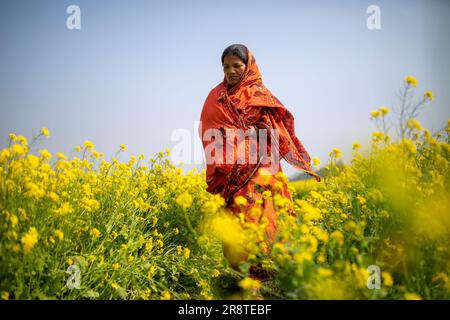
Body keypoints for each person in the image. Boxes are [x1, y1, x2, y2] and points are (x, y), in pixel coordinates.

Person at [199, 44, 321, 281]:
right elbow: (209, 128)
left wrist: (252, 134)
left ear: (248, 66)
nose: (231, 71)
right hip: (230, 172)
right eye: (226, 67)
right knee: (237, 218)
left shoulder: (258, 94)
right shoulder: (216, 96)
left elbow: (275, 127)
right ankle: (242, 276)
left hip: (260, 168)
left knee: (263, 215)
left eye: (237, 66)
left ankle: (273, 273)